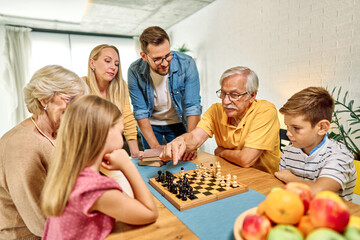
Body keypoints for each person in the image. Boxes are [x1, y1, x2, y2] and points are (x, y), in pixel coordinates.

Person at [41, 95, 158, 239]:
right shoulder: (93, 188)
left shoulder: (70, 173)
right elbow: (150, 212)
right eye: (120, 132)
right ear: (104, 133)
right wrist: (127, 165)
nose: (122, 139)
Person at [0, 65, 88, 239]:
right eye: (70, 100)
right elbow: (40, 222)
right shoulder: (22, 146)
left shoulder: (56, 133)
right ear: (43, 100)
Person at [160, 66, 281, 174]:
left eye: (234, 95)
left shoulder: (265, 111)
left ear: (252, 95)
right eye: (223, 93)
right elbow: (195, 137)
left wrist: (221, 152)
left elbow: (246, 159)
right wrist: (181, 140)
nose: (225, 101)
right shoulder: (215, 110)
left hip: (265, 179)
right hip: (232, 173)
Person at [128, 26, 202, 160]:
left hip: (178, 123)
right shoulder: (134, 71)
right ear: (144, 56)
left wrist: (192, 143)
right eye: (157, 59)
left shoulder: (187, 63)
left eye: (167, 56)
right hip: (151, 125)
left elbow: (193, 106)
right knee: (154, 162)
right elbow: (140, 112)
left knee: (183, 162)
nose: (164, 63)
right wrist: (155, 146)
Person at [274, 87, 356, 201]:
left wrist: (289, 177)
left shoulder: (340, 155)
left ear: (322, 127)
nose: (288, 133)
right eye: (287, 126)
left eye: (296, 128)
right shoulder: (288, 151)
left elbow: (318, 192)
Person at [83, 44, 141, 158]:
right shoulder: (81, 85)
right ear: (92, 63)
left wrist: (135, 153)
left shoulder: (121, 86)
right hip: (87, 152)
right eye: (107, 61)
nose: (113, 67)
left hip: (112, 151)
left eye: (116, 64)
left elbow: (127, 119)